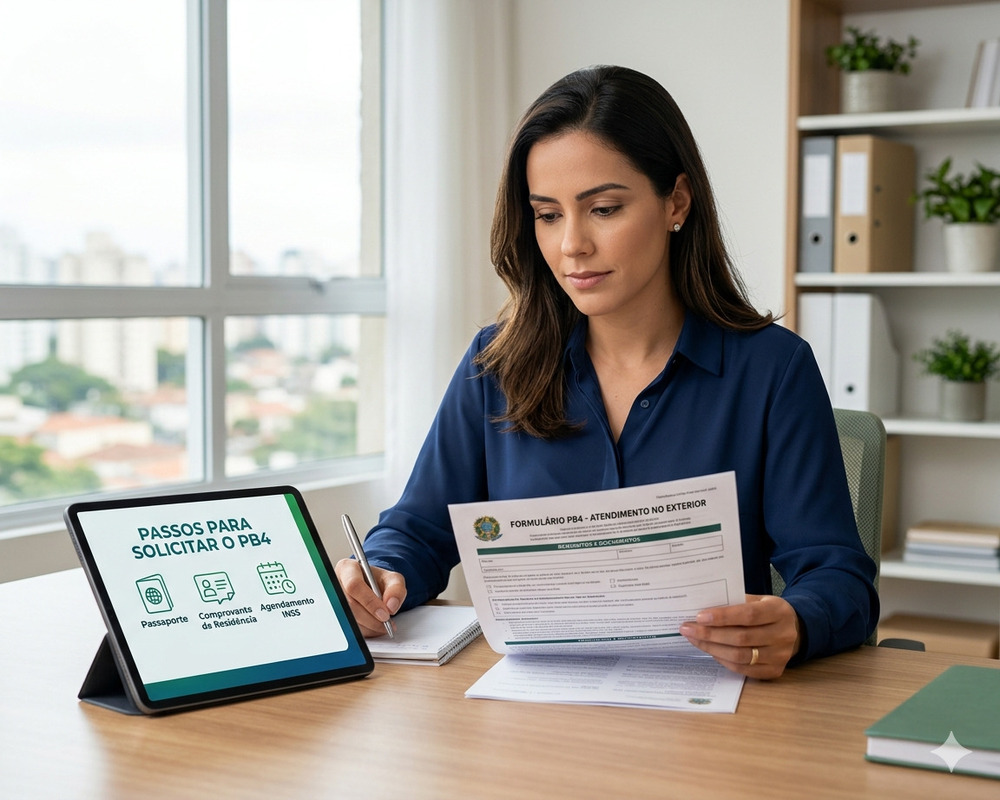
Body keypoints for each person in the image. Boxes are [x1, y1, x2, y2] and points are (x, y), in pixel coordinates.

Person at [335, 64, 878, 679]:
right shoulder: (497, 364)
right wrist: (379, 571)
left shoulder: (773, 370)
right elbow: (417, 529)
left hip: (712, 723)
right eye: (547, 215)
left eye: (603, 208)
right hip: (530, 725)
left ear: (676, 201)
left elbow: (838, 575)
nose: (572, 245)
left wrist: (799, 622)